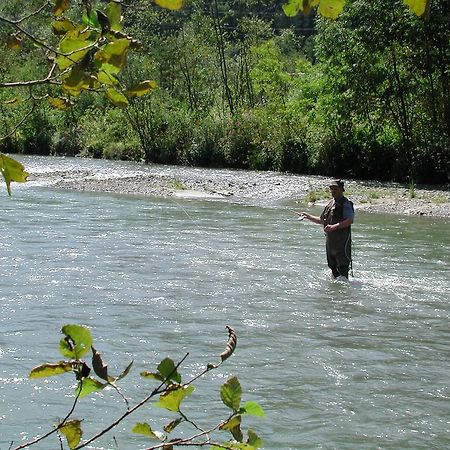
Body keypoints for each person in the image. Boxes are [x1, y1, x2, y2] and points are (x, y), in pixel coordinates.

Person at [298, 180, 354, 280]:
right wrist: (307, 216)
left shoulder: (346, 204)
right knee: (332, 267)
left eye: (335, 189)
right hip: (330, 243)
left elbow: (350, 220)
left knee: (343, 269)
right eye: (331, 189)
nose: (333, 191)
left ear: (342, 190)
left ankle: (344, 291)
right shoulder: (330, 204)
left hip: (342, 243)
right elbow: (321, 220)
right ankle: (337, 293)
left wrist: (334, 226)